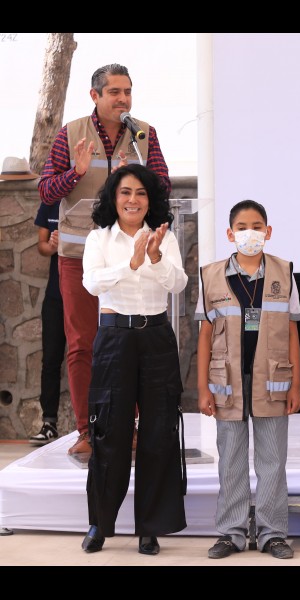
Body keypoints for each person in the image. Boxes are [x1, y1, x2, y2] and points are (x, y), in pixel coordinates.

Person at [38, 63, 170, 456]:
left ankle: (128, 429)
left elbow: (163, 186)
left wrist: (139, 177)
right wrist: (75, 173)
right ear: (95, 96)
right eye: (114, 92)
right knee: (82, 343)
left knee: (128, 341)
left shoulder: (144, 135)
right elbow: (46, 191)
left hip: (129, 256)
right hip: (79, 256)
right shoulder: (71, 133)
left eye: (127, 91)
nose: (123, 99)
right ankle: (87, 431)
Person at [80, 164, 187, 555]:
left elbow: (178, 283)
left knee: (158, 431)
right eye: (125, 192)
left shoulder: (164, 237)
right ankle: (100, 524)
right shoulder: (98, 238)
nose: (133, 200)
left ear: (150, 200)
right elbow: (92, 283)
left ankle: (150, 528)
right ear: (114, 197)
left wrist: (155, 257)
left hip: (156, 336)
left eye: (141, 193)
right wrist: (131, 264)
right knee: (110, 430)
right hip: (115, 337)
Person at [197, 200, 300, 560]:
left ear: (268, 232)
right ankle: (232, 533)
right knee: (231, 460)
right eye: (242, 227)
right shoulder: (211, 275)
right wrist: (202, 389)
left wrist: (296, 385)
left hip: (273, 382)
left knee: (272, 461)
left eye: (257, 226)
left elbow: (292, 332)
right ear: (230, 234)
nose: (250, 233)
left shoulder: (284, 272)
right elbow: (205, 336)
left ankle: (273, 533)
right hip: (226, 384)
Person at [29, 201, 67, 445]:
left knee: (93, 358)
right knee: (51, 359)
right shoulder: (50, 202)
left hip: (88, 294)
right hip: (55, 295)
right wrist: (52, 246)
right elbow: (41, 246)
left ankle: (96, 422)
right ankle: (49, 423)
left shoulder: (91, 200)